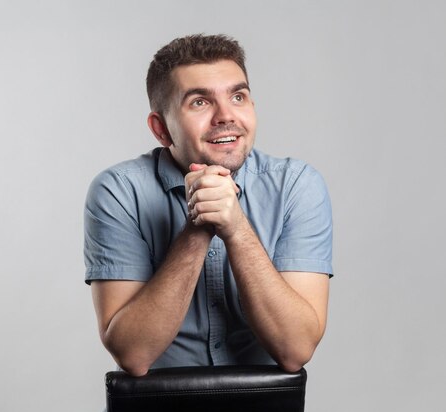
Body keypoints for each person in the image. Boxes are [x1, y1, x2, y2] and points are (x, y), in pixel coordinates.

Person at [84, 34, 333, 381]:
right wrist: (198, 225)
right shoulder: (119, 192)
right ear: (161, 129)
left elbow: (295, 351)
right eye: (200, 102)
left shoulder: (297, 186)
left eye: (238, 96)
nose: (226, 116)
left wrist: (236, 228)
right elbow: (134, 354)